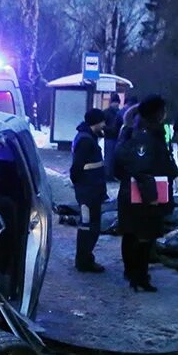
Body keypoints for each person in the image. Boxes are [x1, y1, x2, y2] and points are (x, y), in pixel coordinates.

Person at [115, 95, 178, 292]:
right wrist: (152, 198)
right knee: (142, 237)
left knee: (133, 234)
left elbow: (162, 159)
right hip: (143, 196)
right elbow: (141, 168)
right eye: (163, 110)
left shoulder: (145, 131)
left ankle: (134, 273)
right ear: (157, 113)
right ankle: (139, 276)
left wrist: (174, 173)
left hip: (138, 194)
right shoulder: (144, 135)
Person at [70, 108, 109, 272]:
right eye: (102, 122)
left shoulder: (87, 137)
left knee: (90, 226)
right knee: (88, 227)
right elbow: (77, 169)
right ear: (96, 122)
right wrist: (82, 189)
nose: (104, 125)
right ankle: (84, 260)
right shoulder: (86, 141)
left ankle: (85, 258)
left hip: (91, 190)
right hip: (88, 192)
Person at [102, 93, 123, 181]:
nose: (117, 104)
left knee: (111, 157)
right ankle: (108, 175)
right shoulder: (117, 113)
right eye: (116, 102)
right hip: (111, 137)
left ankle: (110, 175)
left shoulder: (108, 112)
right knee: (110, 157)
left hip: (112, 137)